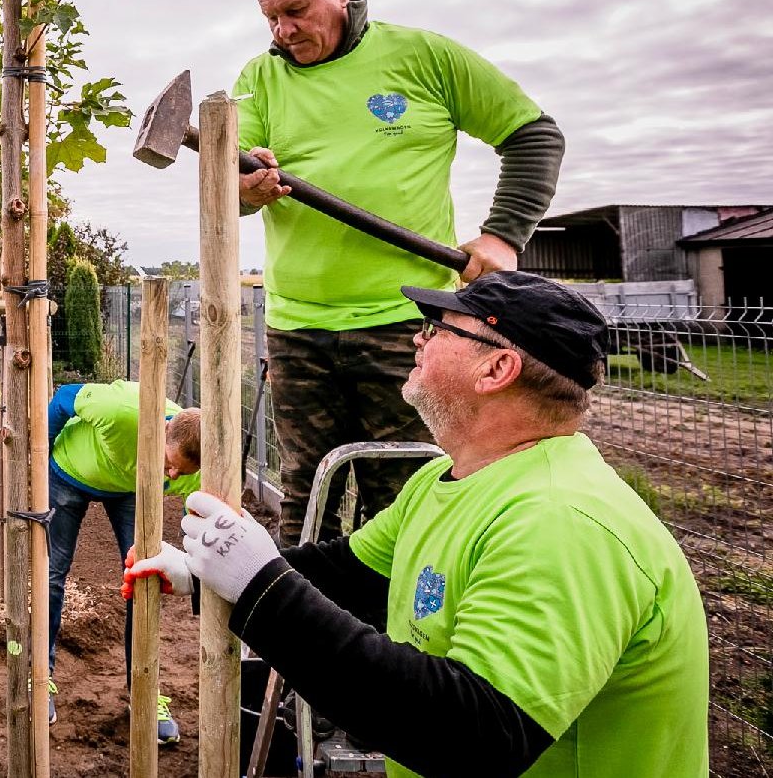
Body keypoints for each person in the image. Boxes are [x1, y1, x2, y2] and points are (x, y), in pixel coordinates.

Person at [126, 272, 708, 777]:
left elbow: (476, 737)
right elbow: (348, 578)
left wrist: (260, 586)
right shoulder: (444, 483)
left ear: (497, 367)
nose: (417, 337)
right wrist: (204, 576)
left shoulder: (561, 521)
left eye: (440, 328)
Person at [234, 0, 567, 546]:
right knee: (307, 498)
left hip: (408, 328)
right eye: (271, 18)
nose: (282, 30)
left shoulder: (423, 58)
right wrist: (246, 189)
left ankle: (396, 636)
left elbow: (534, 136)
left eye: (296, 10)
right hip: (296, 328)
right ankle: (308, 630)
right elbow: (235, 184)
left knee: (408, 495)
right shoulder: (259, 78)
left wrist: (504, 235)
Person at [44, 378, 201, 742]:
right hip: (71, 471)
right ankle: (41, 678)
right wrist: (40, 454)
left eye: (182, 473)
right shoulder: (122, 412)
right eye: (170, 464)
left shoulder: (193, 467)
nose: (174, 476)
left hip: (131, 489)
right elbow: (65, 397)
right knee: (53, 572)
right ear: (161, 433)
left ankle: (144, 693)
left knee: (144, 575)